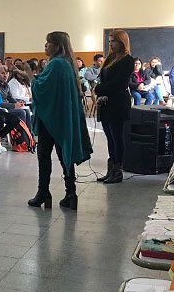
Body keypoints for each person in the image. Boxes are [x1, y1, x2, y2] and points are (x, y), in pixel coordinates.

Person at [21, 31, 92, 210]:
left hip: (52, 118)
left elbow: (40, 88)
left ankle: (43, 192)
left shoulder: (57, 64)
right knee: (63, 155)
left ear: (58, 45)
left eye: (48, 43)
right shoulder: (66, 64)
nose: (45, 46)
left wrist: (29, 74)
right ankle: (71, 193)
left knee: (44, 155)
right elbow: (47, 83)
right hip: (62, 117)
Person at [95, 30, 133, 184]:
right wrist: (100, 92)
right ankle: (111, 169)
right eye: (109, 41)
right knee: (110, 137)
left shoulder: (127, 60)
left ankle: (118, 171)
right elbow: (103, 79)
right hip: (106, 103)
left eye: (114, 41)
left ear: (122, 42)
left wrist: (99, 89)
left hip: (118, 103)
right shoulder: (110, 58)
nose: (111, 44)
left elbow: (118, 83)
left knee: (117, 137)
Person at [0, 65, 32, 130]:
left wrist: (18, 103)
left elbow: (10, 97)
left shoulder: (6, 84)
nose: (5, 75)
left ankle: (29, 134)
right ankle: (21, 135)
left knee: (26, 110)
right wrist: (13, 105)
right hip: (1, 108)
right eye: (2, 73)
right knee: (22, 112)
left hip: (8, 106)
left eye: (6, 73)